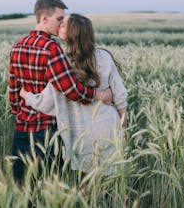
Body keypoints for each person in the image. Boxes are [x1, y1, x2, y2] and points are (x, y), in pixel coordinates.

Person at [8, 0, 113, 185]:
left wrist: (21, 116)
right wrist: (100, 94)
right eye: (59, 19)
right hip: (48, 132)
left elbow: (14, 93)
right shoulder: (51, 48)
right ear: (44, 18)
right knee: (50, 189)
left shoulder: (17, 46)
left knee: (23, 190)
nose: (61, 24)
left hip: (21, 132)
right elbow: (72, 90)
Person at [19, 13, 127, 176]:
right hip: (109, 127)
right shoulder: (104, 56)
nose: (59, 25)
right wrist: (123, 128)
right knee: (109, 183)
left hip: (82, 134)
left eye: (63, 25)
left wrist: (26, 95)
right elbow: (120, 96)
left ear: (71, 34)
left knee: (87, 185)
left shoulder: (61, 64)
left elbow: (46, 103)